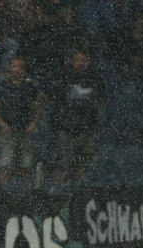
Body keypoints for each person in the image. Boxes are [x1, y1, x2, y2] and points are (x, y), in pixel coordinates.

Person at [49, 51, 104, 183]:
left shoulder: (95, 79)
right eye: (78, 60)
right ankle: (59, 187)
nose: (81, 63)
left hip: (86, 126)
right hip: (65, 125)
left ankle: (80, 188)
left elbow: (100, 102)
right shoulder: (63, 77)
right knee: (63, 158)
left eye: (84, 60)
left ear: (88, 62)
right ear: (73, 61)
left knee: (84, 160)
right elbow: (54, 100)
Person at [0, 57, 41, 185]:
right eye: (14, 66)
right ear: (10, 68)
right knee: (5, 163)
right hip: (8, 129)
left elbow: (36, 108)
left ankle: (24, 193)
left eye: (20, 67)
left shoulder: (30, 87)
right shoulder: (2, 86)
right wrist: (2, 123)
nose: (16, 70)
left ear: (24, 70)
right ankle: (3, 192)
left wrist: (33, 123)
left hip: (25, 129)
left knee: (26, 163)